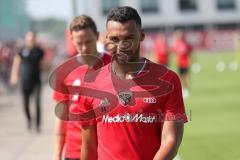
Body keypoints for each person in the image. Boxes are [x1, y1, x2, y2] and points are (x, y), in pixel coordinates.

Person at [79, 6, 188, 160]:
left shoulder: (168, 79)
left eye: (128, 38)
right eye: (114, 39)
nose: (121, 46)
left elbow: (172, 140)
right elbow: (89, 146)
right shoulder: (91, 84)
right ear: (106, 39)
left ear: (141, 35)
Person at [52, 15, 111, 160]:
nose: (84, 48)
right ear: (71, 40)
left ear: (97, 36)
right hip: (75, 152)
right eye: (79, 43)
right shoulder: (64, 71)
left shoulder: (114, 66)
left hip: (105, 151)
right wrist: (57, 155)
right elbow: (62, 118)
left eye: (88, 41)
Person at [10, 31, 44, 132]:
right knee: (25, 105)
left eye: (33, 38)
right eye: (29, 39)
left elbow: (44, 64)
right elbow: (16, 63)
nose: (31, 40)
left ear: (35, 39)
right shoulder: (21, 51)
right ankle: (29, 119)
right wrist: (14, 75)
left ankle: (37, 125)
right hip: (25, 80)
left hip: (36, 81)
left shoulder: (39, 51)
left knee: (37, 103)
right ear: (26, 39)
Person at [172, 30, 192, 98]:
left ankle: (187, 90)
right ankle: (183, 90)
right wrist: (175, 61)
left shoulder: (186, 44)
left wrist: (190, 61)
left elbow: (189, 53)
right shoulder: (176, 44)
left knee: (186, 77)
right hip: (179, 63)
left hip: (185, 63)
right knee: (180, 77)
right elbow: (174, 54)